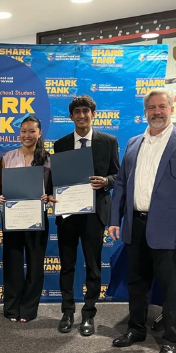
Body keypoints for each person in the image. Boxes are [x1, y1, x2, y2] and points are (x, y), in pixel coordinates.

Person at [109, 88, 176, 353]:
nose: (157, 112)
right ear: (145, 112)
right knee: (136, 283)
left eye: (162, 107)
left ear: (172, 109)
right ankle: (135, 329)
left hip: (171, 231)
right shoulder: (134, 143)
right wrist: (115, 219)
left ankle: (172, 340)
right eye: (152, 108)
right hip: (135, 226)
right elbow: (121, 184)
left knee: (172, 288)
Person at [53, 95, 119, 336]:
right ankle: (67, 311)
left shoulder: (108, 141)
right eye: (77, 112)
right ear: (71, 116)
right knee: (67, 265)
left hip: (95, 214)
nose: (82, 115)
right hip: (68, 214)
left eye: (86, 111)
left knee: (93, 267)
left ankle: (89, 314)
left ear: (93, 113)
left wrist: (106, 181)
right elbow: (57, 180)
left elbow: (117, 175)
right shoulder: (60, 145)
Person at [0, 116, 52, 323]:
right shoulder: (7, 157)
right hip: (13, 219)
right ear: (18, 133)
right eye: (23, 131)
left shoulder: (48, 159)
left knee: (35, 264)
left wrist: (47, 198)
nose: (27, 135)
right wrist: (2, 196)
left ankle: (29, 309)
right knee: (12, 263)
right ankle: (12, 308)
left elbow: (52, 191)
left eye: (32, 131)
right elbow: (3, 188)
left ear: (39, 134)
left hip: (37, 219)